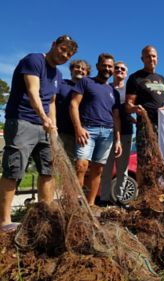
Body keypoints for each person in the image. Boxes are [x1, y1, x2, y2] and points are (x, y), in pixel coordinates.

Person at [0, 35, 78, 232]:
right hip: (22, 121)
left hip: (45, 127)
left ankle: (45, 214)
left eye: (69, 54)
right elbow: (33, 92)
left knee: (48, 169)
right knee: (14, 169)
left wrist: (54, 127)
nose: (65, 55)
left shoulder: (58, 75)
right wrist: (44, 119)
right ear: (53, 45)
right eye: (63, 49)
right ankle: (4, 221)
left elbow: (51, 102)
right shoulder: (34, 60)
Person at [70, 53, 122, 206]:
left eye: (110, 66)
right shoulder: (86, 82)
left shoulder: (114, 92)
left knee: (98, 170)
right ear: (98, 66)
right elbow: (73, 104)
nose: (107, 68)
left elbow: (116, 117)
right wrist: (78, 128)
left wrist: (118, 140)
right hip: (87, 131)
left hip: (107, 133)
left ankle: (91, 204)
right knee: (81, 166)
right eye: (104, 65)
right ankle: (75, 205)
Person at [125, 45, 164, 186]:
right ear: (142, 59)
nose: (151, 58)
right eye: (148, 56)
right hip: (146, 126)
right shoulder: (135, 78)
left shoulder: (162, 79)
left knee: (162, 160)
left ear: (157, 58)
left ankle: (160, 190)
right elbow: (128, 104)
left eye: (153, 56)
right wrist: (135, 108)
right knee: (144, 161)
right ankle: (144, 194)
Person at [100, 61, 134, 205]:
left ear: (126, 73)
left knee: (122, 168)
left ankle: (120, 199)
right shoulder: (106, 88)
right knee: (106, 168)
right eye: (117, 68)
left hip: (125, 132)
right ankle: (104, 199)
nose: (119, 70)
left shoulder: (129, 90)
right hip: (107, 132)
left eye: (123, 69)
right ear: (113, 71)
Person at [56, 59, 91, 162]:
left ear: (87, 74)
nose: (80, 70)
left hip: (79, 134)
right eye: (77, 67)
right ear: (71, 70)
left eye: (83, 69)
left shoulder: (88, 90)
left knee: (74, 166)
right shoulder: (61, 84)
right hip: (60, 131)